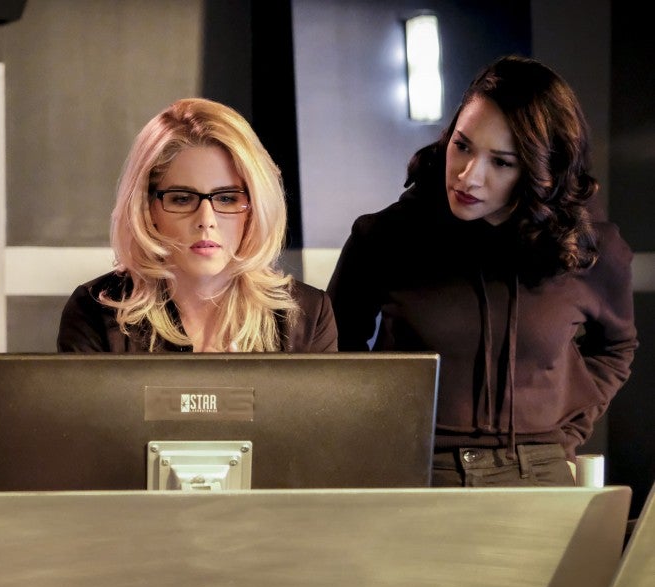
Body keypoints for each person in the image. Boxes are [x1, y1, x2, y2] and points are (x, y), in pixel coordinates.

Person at [327, 55, 637, 486]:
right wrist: (378, 429)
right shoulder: (383, 237)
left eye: (502, 162)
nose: (469, 176)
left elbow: (616, 347)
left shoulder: (588, 249)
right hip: (414, 467)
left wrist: (566, 430)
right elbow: (336, 349)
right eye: (463, 146)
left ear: (540, 171)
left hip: (538, 468)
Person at [57, 97, 338, 353]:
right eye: (182, 199)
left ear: (255, 207)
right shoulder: (94, 312)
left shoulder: (309, 316)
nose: (206, 220)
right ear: (147, 208)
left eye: (227, 198)